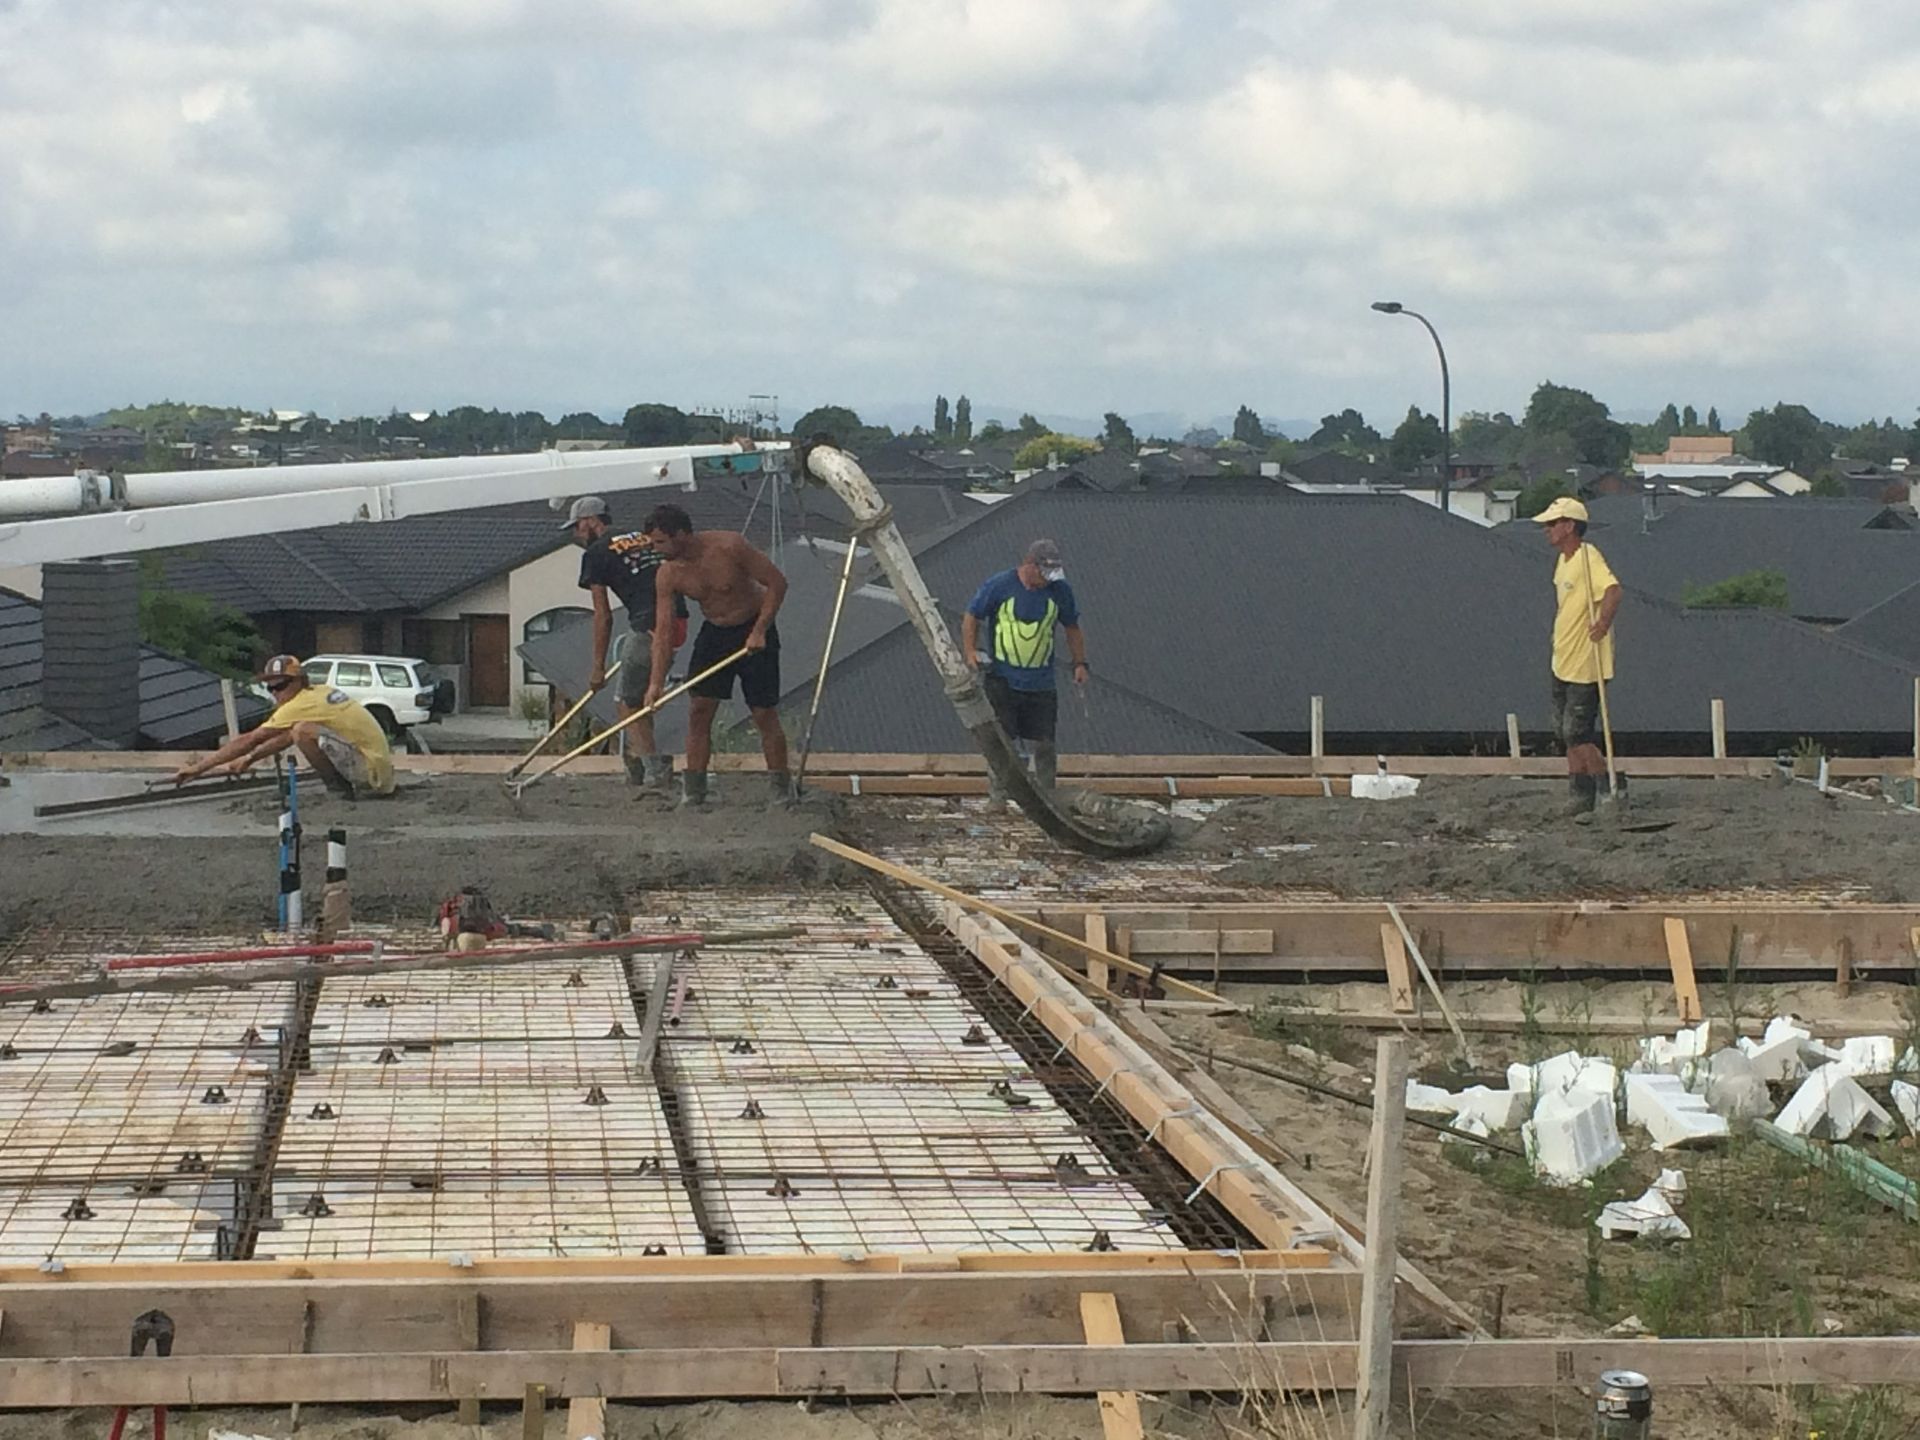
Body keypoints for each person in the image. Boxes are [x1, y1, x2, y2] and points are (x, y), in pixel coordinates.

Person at [642, 502, 790, 808]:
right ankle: (694, 790)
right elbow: (664, 630)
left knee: (763, 712)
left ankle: (780, 785)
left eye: (660, 542)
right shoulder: (668, 574)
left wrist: (760, 629)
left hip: (753, 628)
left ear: (681, 534)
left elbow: (777, 583)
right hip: (715, 633)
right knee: (698, 709)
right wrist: (655, 684)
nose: (657, 550)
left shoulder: (728, 546)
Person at [566, 494, 688, 794]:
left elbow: (603, 616)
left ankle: (653, 771)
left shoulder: (596, 553)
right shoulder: (642, 537)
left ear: (592, 522)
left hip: (648, 625)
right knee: (640, 699)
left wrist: (597, 667)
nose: (576, 535)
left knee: (628, 704)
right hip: (678, 619)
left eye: (578, 527)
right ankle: (639, 764)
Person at [961, 538, 1088, 802]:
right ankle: (998, 799)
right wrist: (970, 651)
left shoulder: (1060, 591)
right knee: (1002, 743)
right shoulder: (1000, 585)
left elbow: (1072, 628)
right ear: (1030, 566)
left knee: (1044, 744)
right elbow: (972, 615)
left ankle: (1048, 799)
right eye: (1044, 573)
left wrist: (1079, 663)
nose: (1048, 580)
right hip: (1003, 679)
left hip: (1041, 682)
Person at [170, 654, 395, 799]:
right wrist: (249, 760)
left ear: (298, 681)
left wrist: (198, 768)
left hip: (370, 773)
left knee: (303, 731)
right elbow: (287, 737)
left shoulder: (300, 704)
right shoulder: (319, 693)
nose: (276, 693)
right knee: (299, 730)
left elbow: (250, 739)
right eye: (271, 688)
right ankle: (348, 787)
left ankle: (339, 791)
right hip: (378, 769)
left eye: (281, 685)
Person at [1534, 496, 1623, 816]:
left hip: (1586, 659)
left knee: (1577, 730)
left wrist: (1603, 623)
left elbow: (1613, 590)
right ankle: (1579, 790)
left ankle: (1608, 784)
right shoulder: (1563, 562)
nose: (1546, 530)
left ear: (1569, 526)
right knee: (1562, 730)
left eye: (1552, 524)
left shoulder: (1588, 557)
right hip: (1563, 656)